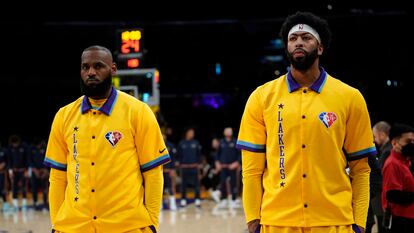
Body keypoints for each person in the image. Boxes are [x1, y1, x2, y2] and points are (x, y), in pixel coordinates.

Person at [236, 11, 375, 233]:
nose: (299, 42)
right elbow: (251, 170)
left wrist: (358, 224)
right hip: (277, 222)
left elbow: (361, 169)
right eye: (293, 39)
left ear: (320, 48)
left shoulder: (350, 97)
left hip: (334, 221)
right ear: (287, 48)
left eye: (306, 38)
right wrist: (253, 222)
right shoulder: (261, 98)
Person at [43, 45, 170, 233]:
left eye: (98, 66)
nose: (91, 72)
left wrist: (152, 224)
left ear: (113, 69)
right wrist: (57, 223)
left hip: (127, 227)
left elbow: (153, 173)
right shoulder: (64, 116)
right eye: (85, 67)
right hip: (74, 227)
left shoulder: (139, 112)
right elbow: (58, 176)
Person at [381, 123, 414, 233]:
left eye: (413, 141)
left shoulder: (406, 161)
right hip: (401, 220)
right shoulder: (392, 164)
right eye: (408, 141)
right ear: (395, 143)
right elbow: (393, 195)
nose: (412, 145)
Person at [177, 127, 202, 208]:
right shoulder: (182, 143)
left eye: (193, 133)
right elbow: (179, 155)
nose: (192, 134)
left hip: (194, 166)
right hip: (184, 167)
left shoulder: (196, 143)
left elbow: (199, 155)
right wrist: (179, 163)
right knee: (183, 184)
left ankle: (197, 199)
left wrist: (199, 164)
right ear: (187, 133)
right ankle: (183, 199)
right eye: (191, 132)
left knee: (197, 184)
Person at [216, 127, 241, 209]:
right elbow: (217, 154)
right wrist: (217, 163)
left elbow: (240, 154)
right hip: (223, 166)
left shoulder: (235, 141)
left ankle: (234, 199)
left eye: (230, 130)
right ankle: (223, 199)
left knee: (233, 183)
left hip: (232, 166)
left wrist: (237, 163)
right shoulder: (221, 142)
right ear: (224, 132)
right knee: (223, 182)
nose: (229, 132)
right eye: (227, 131)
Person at [29, 138, 49, 210]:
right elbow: (30, 161)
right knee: (34, 188)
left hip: (44, 171)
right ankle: (35, 202)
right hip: (35, 171)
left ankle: (45, 202)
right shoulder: (31, 149)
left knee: (45, 188)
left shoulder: (45, 148)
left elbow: (48, 159)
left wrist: (46, 170)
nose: (38, 146)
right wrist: (35, 170)